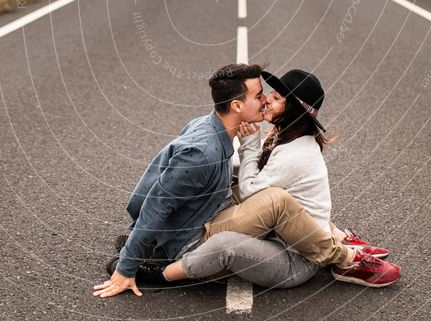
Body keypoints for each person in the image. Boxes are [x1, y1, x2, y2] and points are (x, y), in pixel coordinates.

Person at [93, 63, 357, 300]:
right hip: (193, 237)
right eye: (259, 95)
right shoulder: (203, 153)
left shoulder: (205, 126)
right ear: (237, 106)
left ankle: (150, 244)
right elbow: (157, 204)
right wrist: (127, 266)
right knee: (274, 200)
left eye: (272, 96)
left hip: (205, 218)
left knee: (251, 188)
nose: (265, 100)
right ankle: (151, 251)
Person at [161, 69, 401, 289]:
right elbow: (244, 177)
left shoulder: (296, 153)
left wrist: (250, 146)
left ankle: (348, 260)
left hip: (296, 258)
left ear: (293, 110)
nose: (266, 100)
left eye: (276, 99)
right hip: (287, 233)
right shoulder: (288, 138)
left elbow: (248, 191)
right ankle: (337, 237)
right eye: (270, 95)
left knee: (228, 241)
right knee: (227, 186)